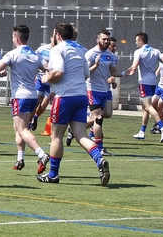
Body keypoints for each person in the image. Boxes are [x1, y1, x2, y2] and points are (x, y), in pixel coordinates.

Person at [37, 22, 110, 186]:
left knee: (56, 136)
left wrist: (46, 78)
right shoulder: (81, 49)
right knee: (81, 135)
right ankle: (99, 160)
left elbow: (58, 72)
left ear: (57, 35)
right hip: (81, 96)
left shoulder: (57, 49)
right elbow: (85, 74)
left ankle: (53, 174)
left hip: (64, 97)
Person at [0, 25, 49, 171]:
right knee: (19, 128)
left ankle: (41, 154)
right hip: (33, 97)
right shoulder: (35, 55)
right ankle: (20, 158)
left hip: (20, 97)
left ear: (16, 38)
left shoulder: (13, 54)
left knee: (22, 130)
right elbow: (49, 68)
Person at [125, 32, 163, 142]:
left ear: (141, 41)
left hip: (144, 82)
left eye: (137, 41)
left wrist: (126, 72)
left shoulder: (138, 52)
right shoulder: (156, 51)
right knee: (145, 108)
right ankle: (142, 131)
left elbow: (134, 66)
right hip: (153, 81)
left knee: (149, 106)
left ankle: (162, 127)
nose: (136, 43)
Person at [85, 30, 125, 157]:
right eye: (104, 39)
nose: (106, 41)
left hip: (106, 90)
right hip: (93, 90)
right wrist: (95, 65)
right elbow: (84, 73)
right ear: (98, 40)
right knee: (99, 118)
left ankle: (76, 130)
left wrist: (125, 73)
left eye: (107, 39)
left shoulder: (110, 55)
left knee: (107, 114)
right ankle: (99, 148)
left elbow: (113, 70)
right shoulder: (90, 54)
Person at [30, 34, 54, 131]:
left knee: (44, 104)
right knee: (36, 102)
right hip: (40, 79)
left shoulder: (59, 50)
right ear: (51, 38)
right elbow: (35, 60)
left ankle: (35, 117)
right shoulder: (42, 49)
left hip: (51, 82)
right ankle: (29, 121)